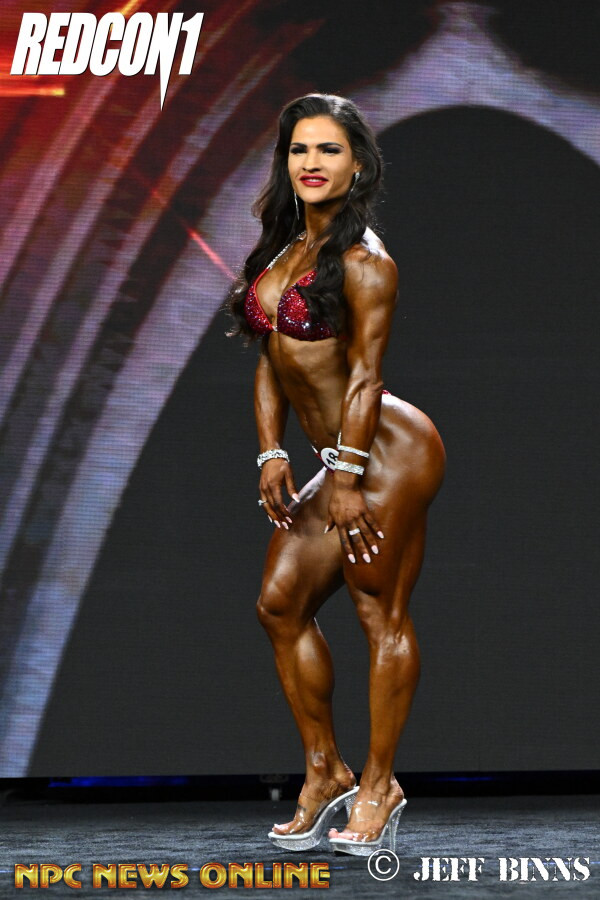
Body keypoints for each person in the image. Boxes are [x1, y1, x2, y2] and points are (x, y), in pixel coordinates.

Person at [228, 93, 445, 855]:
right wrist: (271, 451)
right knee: (279, 604)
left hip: (391, 453)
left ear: (358, 166)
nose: (312, 163)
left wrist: (347, 479)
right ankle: (325, 770)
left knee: (377, 611)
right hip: (338, 455)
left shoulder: (365, 262)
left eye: (329, 150)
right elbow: (270, 358)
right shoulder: (281, 252)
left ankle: (380, 784)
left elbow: (364, 379)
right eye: (300, 150)